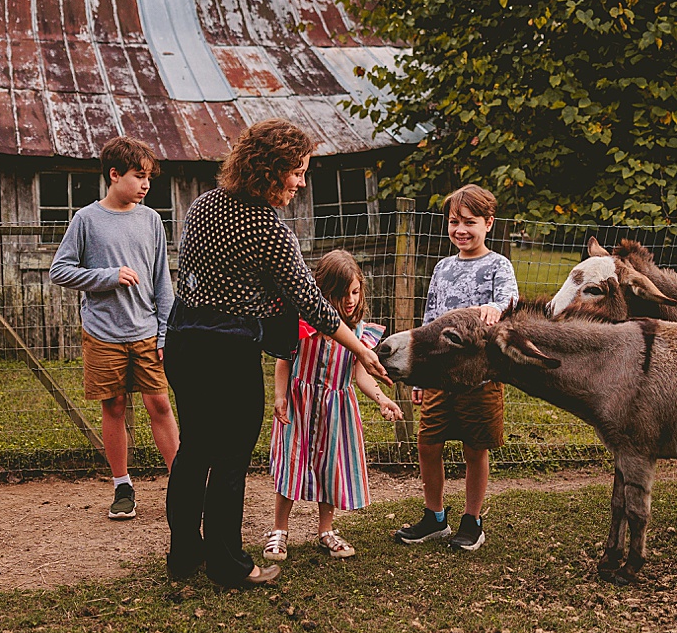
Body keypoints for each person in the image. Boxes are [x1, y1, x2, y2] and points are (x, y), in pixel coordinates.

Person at [163, 119, 391, 588]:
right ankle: (228, 564)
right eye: (297, 171)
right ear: (271, 168)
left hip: (184, 340)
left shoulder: (203, 207)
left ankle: (184, 554)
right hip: (227, 352)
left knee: (192, 452)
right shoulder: (269, 229)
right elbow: (312, 304)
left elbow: (208, 280)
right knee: (228, 459)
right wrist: (361, 351)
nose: (302, 183)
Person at [49, 136, 179, 519]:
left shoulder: (151, 220)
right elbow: (60, 270)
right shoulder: (86, 219)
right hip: (103, 334)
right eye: (139, 176)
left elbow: (162, 282)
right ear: (114, 174)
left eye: (149, 178)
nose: (145, 184)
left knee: (160, 403)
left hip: (146, 332)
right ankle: (122, 487)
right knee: (115, 406)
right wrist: (107, 276)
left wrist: (165, 332)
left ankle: (181, 482)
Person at [395, 183, 517, 552]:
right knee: (428, 442)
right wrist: (419, 374)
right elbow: (430, 321)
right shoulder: (443, 268)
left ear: (488, 223)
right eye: (453, 222)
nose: (460, 230)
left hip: (478, 378)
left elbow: (509, 301)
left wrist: (496, 308)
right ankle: (435, 518)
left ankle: (472, 520)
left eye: (469, 222)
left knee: (474, 448)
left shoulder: (498, 265)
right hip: (439, 378)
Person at [263, 250, 402, 562]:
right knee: (292, 465)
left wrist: (382, 399)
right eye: (342, 294)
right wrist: (280, 397)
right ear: (322, 292)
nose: (350, 300)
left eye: (355, 292)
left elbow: (361, 374)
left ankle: (325, 530)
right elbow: (283, 361)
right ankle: (279, 531)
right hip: (300, 406)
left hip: (336, 410)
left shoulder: (358, 332)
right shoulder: (302, 326)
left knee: (331, 470)